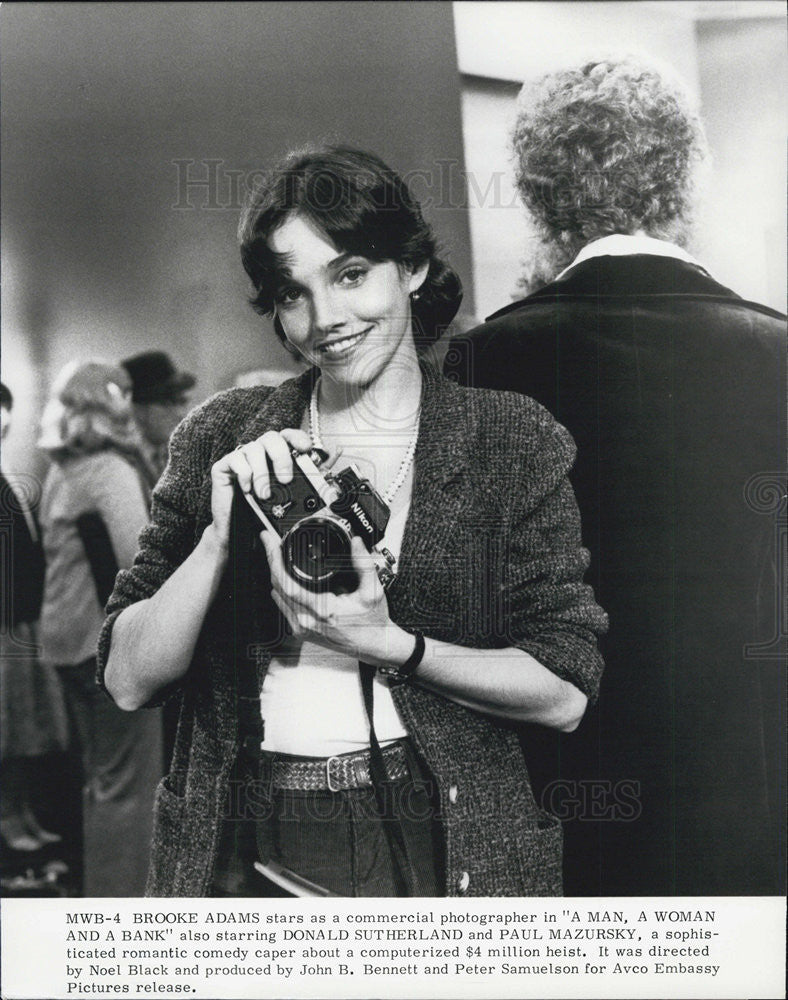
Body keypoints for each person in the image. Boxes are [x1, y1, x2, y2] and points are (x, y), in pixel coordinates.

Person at [99, 145, 606, 898]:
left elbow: (564, 693)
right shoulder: (224, 435)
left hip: (446, 833)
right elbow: (127, 679)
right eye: (291, 293)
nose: (325, 319)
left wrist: (391, 645)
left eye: (350, 274)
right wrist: (216, 539)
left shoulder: (508, 439)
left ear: (413, 268)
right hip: (247, 832)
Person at [446, 57, 787, 896]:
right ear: (687, 178)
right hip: (749, 793)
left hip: (550, 795)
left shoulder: (476, 364)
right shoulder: (776, 354)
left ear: (534, 195)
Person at [37, 361, 163, 896]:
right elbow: (140, 560)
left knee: (102, 784)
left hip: (66, 646)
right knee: (130, 791)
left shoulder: (62, 470)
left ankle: (98, 906)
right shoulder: (109, 470)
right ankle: (121, 922)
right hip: (104, 648)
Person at [1, 382, 69, 854]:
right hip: (4, 623)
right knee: (6, 731)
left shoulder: (7, 475)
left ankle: (20, 814)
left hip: (22, 620)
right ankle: (8, 819)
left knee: (24, 730)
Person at [121, 351, 195, 480]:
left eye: (182, 402)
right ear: (139, 410)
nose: (182, 415)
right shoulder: (123, 464)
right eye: (168, 404)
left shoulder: (176, 455)